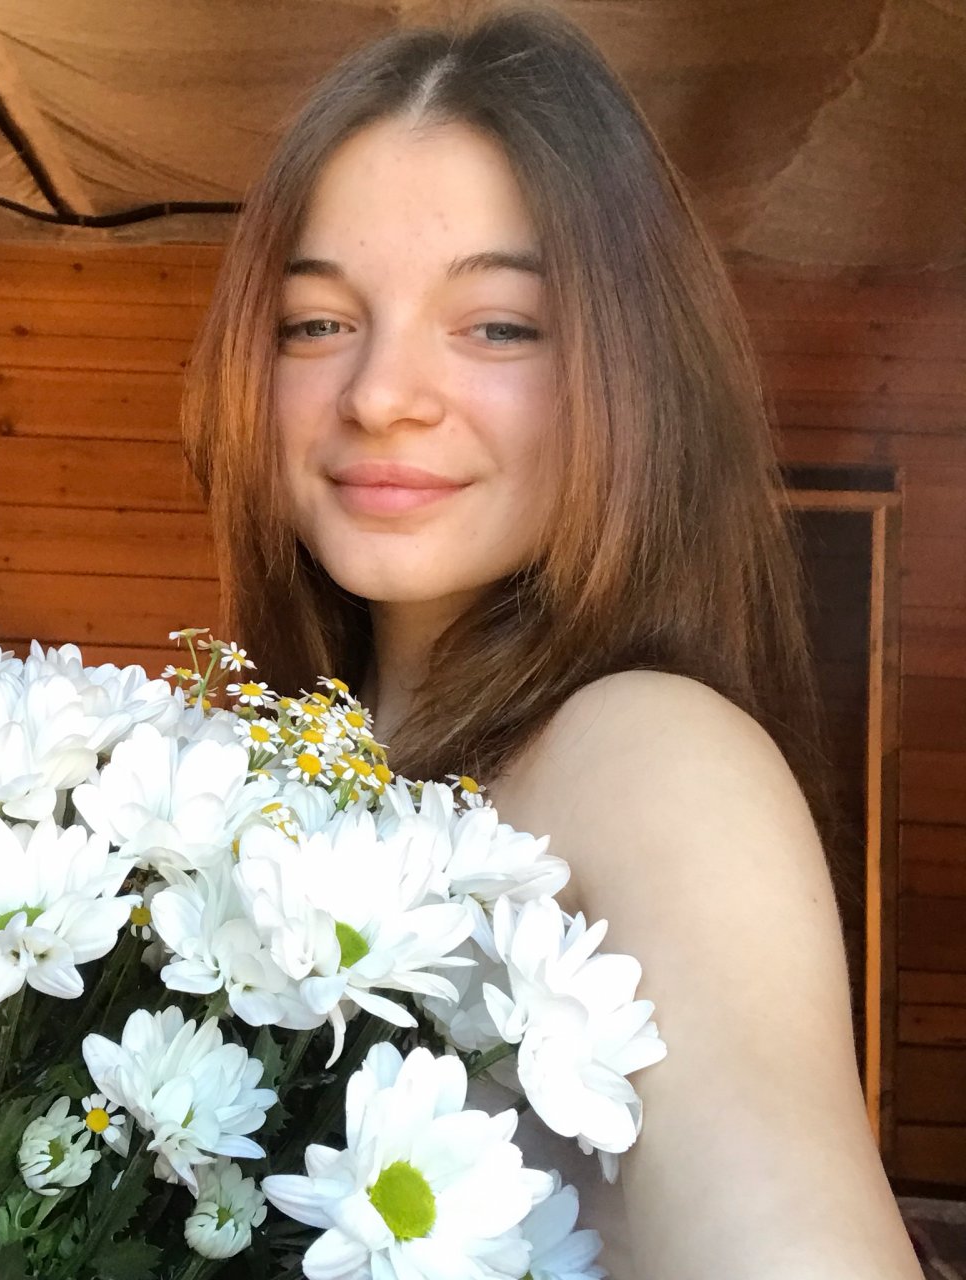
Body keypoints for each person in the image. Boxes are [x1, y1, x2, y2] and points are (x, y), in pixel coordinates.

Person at [180, 6, 924, 1278]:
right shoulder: (271, 765)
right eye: (315, 322)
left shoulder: (656, 757)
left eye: (498, 324)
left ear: (627, 371)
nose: (378, 393)